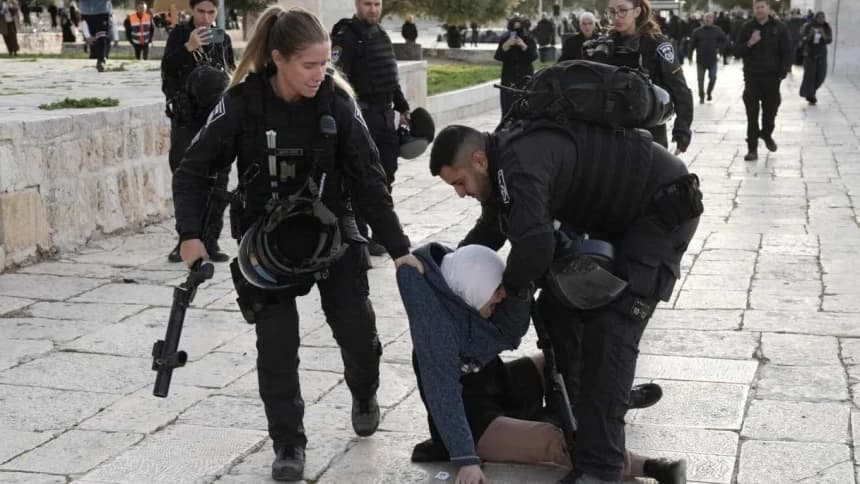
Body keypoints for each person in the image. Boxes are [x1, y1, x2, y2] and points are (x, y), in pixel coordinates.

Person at [172, 6, 422, 481]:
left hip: (332, 230)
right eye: (309, 65)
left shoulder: (337, 103)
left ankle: (364, 389)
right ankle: (288, 443)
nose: (318, 74)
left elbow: (370, 182)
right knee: (276, 346)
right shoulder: (242, 103)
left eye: (324, 64)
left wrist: (399, 247)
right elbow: (194, 171)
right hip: (267, 243)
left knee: (357, 332)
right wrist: (191, 236)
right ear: (279, 59)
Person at [428, 117, 701, 483]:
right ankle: (577, 413)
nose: (460, 192)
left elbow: (536, 248)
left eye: (459, 182)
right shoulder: (503, 169)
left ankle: (601, 469)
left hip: (662, 207)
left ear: (478, 160)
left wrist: (505, 290)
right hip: (623, 216)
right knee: (558, 310)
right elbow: (491, 230)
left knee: (611, 331)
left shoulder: (520, 166)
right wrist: (447, 273)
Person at [399, 243, 685, 484]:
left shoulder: (459, 300)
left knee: (562, 360)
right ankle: (651, 466)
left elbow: (509, 333)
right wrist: (466, 459)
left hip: (497, 386)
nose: (501, 295)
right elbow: (443, 398)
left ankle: (611, 398)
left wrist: (523, 286)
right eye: (496, 289)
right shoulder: (433, 333)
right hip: (477, 425)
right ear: (474, 287)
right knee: (557, 439)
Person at [332, 0, 412, 256]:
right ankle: (361, 234)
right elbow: (338, 80)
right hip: (361, 116)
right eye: (367, 4)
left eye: (377, 4)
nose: (373, 9)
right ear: (357, 4)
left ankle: (381, 232)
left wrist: (403, 107)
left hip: (385, 116)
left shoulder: (382, 36)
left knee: (387, 173)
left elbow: (390, 77)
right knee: (362, 175)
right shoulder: (346, 37)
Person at [161, 0, 235, 262]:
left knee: (219, 179)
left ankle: (211, 240)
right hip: (186, 118)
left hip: (216, 117)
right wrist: (187, 49)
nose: (205, 18)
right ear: (192, 11)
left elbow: (231, 73)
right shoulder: (179, 35)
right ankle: (185, 240)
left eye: (211, 12)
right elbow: (167, 70)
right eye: (201, 11)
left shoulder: (222, 38)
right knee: (185, 177)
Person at [589, 0, 693, 155]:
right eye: (611, 12)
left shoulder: (657, 45)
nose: (616, 17)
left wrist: (682, 131)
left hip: (649, 133)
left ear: (637, 12)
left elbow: (680, 89)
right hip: (610, 133)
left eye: (622, 10)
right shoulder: (605, 44)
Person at [734, 0, 791, 162]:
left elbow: (787, 52)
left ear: (769, 9)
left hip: (772, 78)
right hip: (752, 77)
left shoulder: (780, 28)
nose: (758, 10)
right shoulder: (747, 27)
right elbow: (736, 51)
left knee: (770, 112)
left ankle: (766, 134)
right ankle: (752, 149)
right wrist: (750, 42)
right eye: (756, 7)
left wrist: (782, 72)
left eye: (762, 7)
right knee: (752, 115)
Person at [494, 17, 537, 117]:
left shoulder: (529, 39)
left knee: (525, 107)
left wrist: (523, 46)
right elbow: (498, 56)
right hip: (508, 78)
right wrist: (505, 46)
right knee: (507, 107)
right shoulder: (505, 40)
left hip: (525, 77)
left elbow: (534, 56)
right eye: (514, 29)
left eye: (519, 29)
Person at [690, 12, 728, 104]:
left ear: (713, 20)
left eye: (710, 18)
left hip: (712, 59)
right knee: (700, 79)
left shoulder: (717, 30)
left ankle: (709, 92)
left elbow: (724, 40)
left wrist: (718, 47)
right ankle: (701, 96)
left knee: (713, 77)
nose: (708, 19)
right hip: (700, 59)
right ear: (703, 19)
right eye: (706, 18)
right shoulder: (697, 31)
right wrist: (690, 56)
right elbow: (692, 45)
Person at [798, 11, 831, 105]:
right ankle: (811, 95)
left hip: (821, 56)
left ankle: (810, 92)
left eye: (823, 17)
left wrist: (823, 33)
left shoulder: (826, 27)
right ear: (815, 18)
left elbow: (829, 40)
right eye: (819, 17)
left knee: (821, 76)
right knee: (810, 77)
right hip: (810, 55)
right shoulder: (808, 26)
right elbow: (802, 39)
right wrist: (810, 34)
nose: (821, 19)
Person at [79, 0, 113, 71]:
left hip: (102, 11)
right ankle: (96, 56)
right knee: (94, 38)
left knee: (101, 35)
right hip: (86, 12)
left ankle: (101, 60)